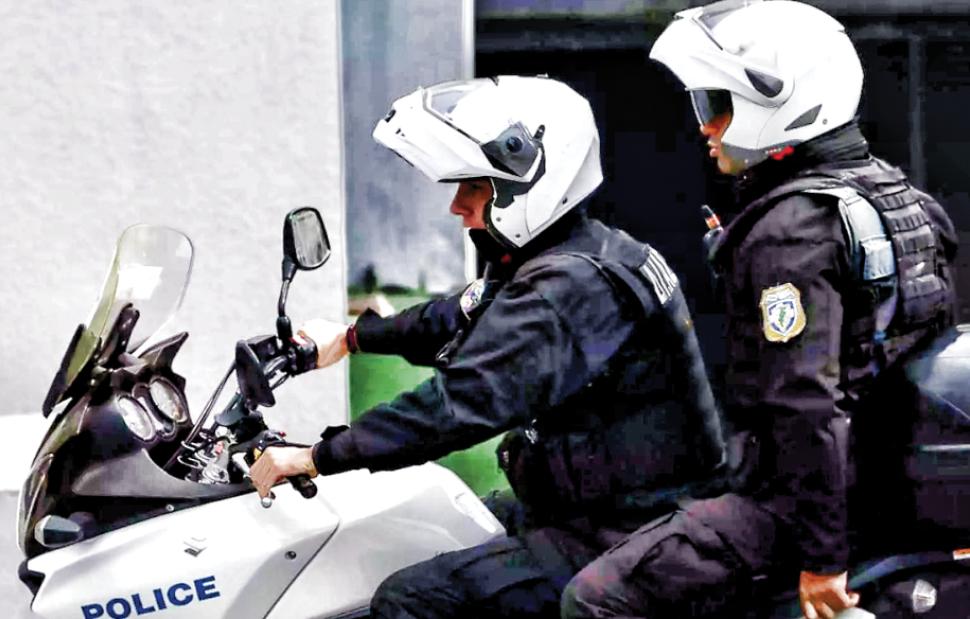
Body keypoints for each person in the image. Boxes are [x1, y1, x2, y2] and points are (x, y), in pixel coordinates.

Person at [250, 75, 725, 618]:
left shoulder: (568, 288)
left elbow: (458, 405)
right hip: (593, 510)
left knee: (410, 600)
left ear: (528, 185)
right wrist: (352, 337)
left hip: (631, 532)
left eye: (473, 187)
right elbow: (458, 313)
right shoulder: (573, 253)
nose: (457, 206)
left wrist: (317, 457)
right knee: (417, 529)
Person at [562, 1, 958, 618]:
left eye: (719, 105)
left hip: (801, 501)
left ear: (779, 104)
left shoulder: (791, 233)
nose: (706, 127)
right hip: (884, 485)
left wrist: (823, 558)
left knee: (594, 599)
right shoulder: (904, 199)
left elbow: (804, 402)